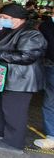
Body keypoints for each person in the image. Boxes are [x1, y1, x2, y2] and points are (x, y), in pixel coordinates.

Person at [0, 3, 47, 153]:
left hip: (21, 79)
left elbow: (26, 57)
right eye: (1, 17)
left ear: (18, 18)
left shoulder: (31, 34)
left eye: (5, 18)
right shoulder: (7, 30)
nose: (2, 20)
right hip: (3, 75)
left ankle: (14, 143)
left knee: (13, 110)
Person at [34, 14, 54, 149]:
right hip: (50, 66)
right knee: (50, 100)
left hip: (50, 65)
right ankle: (51, 135)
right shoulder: (46, 25)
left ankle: (52, 136)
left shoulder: (46, 26)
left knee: (50, 101)